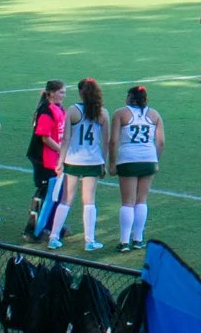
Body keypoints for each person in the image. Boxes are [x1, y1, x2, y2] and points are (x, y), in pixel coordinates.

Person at [47, 78, 111, 251]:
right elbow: (106, 142)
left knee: (66, 199)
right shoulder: (103, 113)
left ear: (80, 92)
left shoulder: (73, 110)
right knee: (89, 200)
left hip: (73, 160)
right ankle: (90, 241)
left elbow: (66, 139)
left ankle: (53, 237)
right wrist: (103, 163)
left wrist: (60, 162)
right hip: (93, 161)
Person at [112, 85, 164, 252]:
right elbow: (161, 142)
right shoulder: (154, 114)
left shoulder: (121, 113)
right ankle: (138, 239)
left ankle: (124, 241)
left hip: (128, 159)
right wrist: (155, 160)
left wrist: (111, 162)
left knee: (128, 202)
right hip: (148, 159)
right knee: (142, 200)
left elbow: (113, 141)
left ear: (129, 97)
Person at [23, 79, 66, 238]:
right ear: (52, 93)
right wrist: (62, 149)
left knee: (54, 193)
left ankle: (50, 225)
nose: (64, 95)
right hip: (43, 158)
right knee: (43, 192)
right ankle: (31, 228)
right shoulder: (46, 111)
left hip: (52, 157)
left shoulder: (57, 108)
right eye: (61, 92)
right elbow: (45, 138)